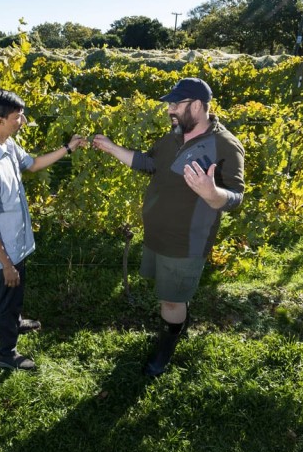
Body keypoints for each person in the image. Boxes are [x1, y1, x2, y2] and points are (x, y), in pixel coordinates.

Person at [92, 78, 245, 377]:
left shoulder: (225, 145)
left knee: (171, 301)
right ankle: (177, 325)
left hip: (185, 243)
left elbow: (236, 197)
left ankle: (166, 346)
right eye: (169, 105)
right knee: (170, 294)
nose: (170, 110)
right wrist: (111, 148)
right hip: (157, 236)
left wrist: (212, 193)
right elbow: (149, 163)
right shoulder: (175, 136)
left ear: (198, 106)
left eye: (176, 104)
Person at [0, 88, 86, 371]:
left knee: (17, 290)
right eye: (17, 117)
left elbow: (32, 165)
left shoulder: (7, 145)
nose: (22, 121)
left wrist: (68, 148)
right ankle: (6, 352)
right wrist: (6, 264)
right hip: (5, 250)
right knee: (7, 296)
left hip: (18, 242)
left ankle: (16, 321)